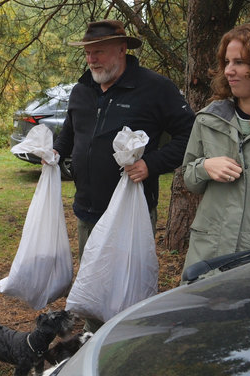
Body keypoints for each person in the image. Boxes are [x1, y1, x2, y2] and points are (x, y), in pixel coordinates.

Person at [52, 20, 195, 331]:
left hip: (132, 211)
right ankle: (94, 336)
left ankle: (128, 339)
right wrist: (52, 153)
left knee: (125, 283)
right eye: (88, 52)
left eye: (99, 51)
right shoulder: (82, 89)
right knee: (93, 278)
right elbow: (70, 134)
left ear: (122, 49)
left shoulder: (155, 88)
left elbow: (191, 133)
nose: (92, 59)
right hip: (87, 208)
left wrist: (152, 164)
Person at [182, 21, 250, 278]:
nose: (229, 71)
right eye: (227, 62)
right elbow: (189, 178)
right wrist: (204, 168)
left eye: (240, 62)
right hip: (207, 259)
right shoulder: (209, 120)